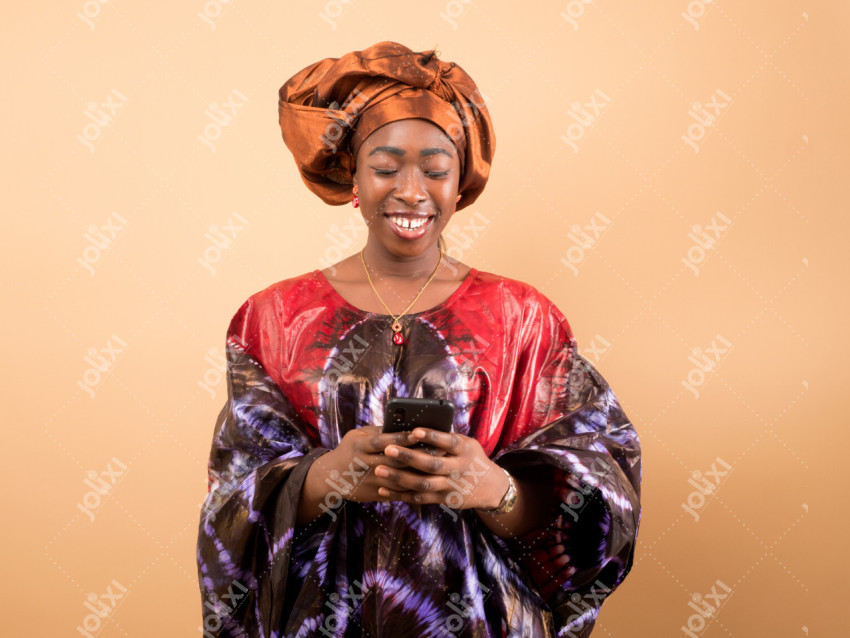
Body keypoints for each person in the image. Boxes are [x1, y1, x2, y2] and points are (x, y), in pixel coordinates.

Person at [196, 41, 641, 638]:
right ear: (353, 176)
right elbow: (229, 503)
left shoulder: (523, 318)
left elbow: (601, 490)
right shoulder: (273, 318)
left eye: (435, 171)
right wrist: (325, 477)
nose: (411, 190)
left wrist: (496, 489)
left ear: (460, 185)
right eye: (386, 168)